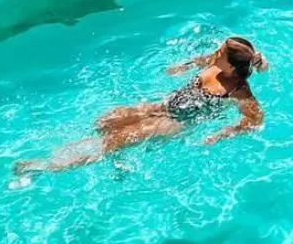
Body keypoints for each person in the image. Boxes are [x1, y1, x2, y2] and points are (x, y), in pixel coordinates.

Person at [15, 36, 268, 177]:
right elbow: (200, 60)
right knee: (106, 120)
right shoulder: (215, 62)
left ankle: (44, 167)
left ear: (232, 67)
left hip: (174, 123)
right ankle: (117, 156)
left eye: (221, 51)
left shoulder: (239, 90)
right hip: (164, 106)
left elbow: (255, 121)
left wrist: (223, 134)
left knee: (115, 139)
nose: (216, 52)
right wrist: (185, 66)